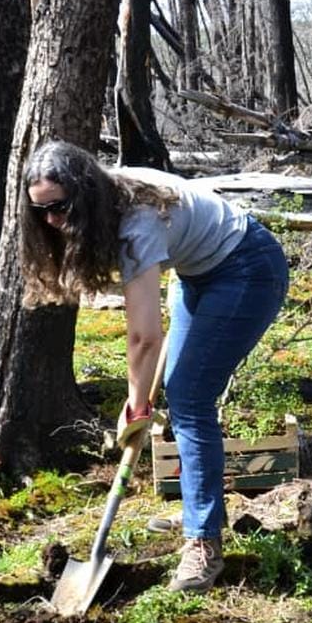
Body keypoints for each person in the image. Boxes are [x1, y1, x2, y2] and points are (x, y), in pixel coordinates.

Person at [21, 140, 289, 592]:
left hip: (248, 266)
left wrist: (135, 402)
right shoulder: (110, 205)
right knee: (183, 394)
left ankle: (204, 542)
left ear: (85, 194)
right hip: (198, 272)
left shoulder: (135, 221)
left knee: (188, 396)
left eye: (60, 208)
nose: (52, 221)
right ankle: (196, 509)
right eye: (40, 212)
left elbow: (144, 336)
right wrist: (140, 396)